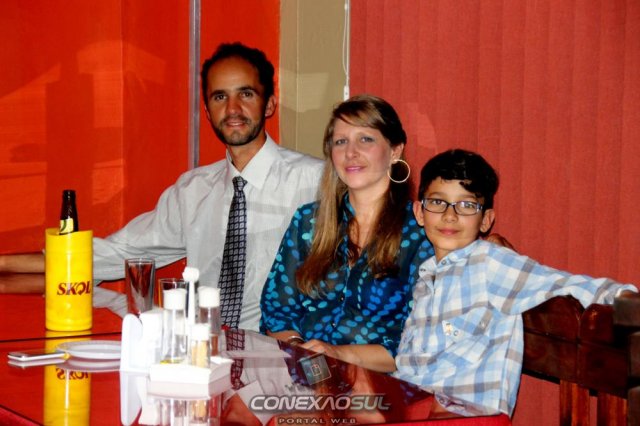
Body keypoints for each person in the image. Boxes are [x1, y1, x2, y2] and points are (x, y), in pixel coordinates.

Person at [0, 43, 324, 331]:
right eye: (220, 97)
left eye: (246, 94)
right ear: (208, 111)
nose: (233, 109)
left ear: (269, 105)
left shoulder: (314, 181)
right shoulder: (193, 191)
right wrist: (4, 265)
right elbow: (118, 253)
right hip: (203, 353)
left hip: (282, 357)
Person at [394, 148, 638, 417]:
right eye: (438, 202)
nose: (450, 216)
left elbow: (570, 285)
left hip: (467, 416)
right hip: (419, 407)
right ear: (419, 212)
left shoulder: (489, 263)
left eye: (467, 205)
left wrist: (631, 305)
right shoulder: (427, 279)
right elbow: (409, 365)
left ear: (486, 220)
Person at [260, 94, 434, 373]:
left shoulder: (421, 232)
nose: (350, 152)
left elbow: (420, 340)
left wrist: (338, 354)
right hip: (303, 375)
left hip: (383, 386)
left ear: (395, 151)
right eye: (340, 141)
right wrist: (300, 351)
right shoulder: (308, 222)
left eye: (365, 139)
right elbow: (277, 310)